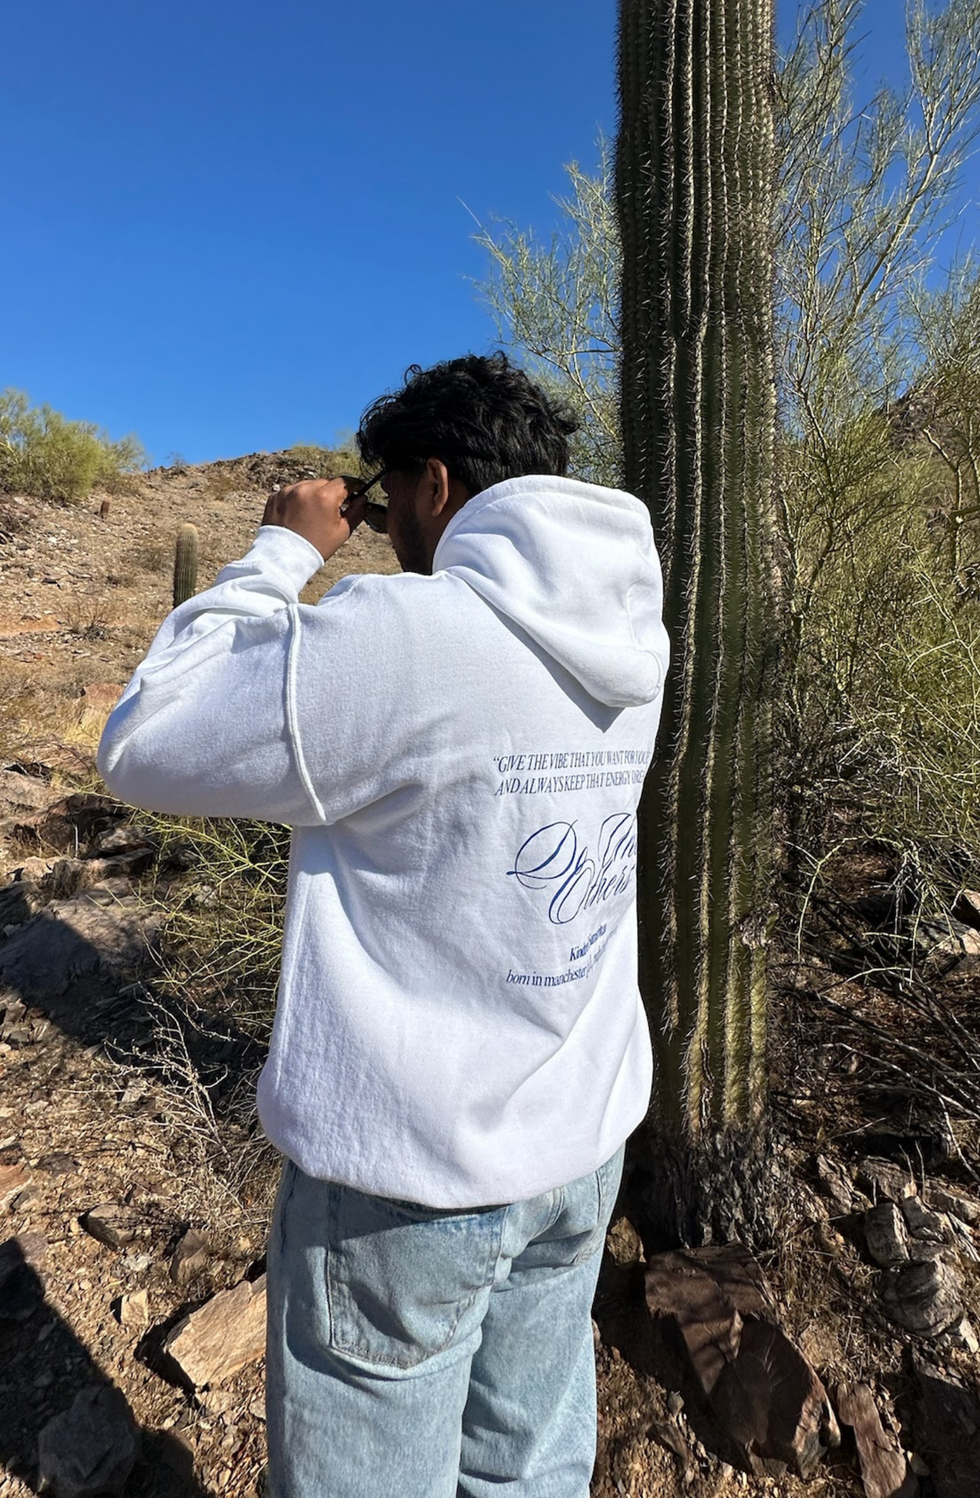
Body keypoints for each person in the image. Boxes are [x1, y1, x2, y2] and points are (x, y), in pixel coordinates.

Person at [98, 353, 668, 1498]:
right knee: (527, 1465)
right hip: (580, 1140)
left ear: (435, 485)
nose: (386, 514)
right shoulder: (631, 634)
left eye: (388, 488)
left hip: (409, 1185)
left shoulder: (405, 635)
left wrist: (285, 549)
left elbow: (146, 734)